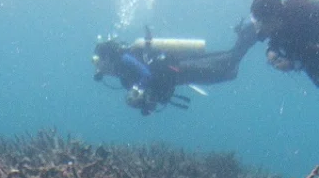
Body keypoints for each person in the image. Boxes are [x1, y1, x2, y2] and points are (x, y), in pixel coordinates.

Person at [93, 30, 256, 116]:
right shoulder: (122, 76)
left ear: (107, 57)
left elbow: (146, 75)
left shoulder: (124, 59)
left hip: (176, 69)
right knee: (224, 73)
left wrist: (138, 89)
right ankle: (242, 45)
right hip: (176, 77)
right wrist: (144, 104)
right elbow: (150, 92)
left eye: (100, 63)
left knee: (226, 62)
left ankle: (248, 36)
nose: (100, 69)